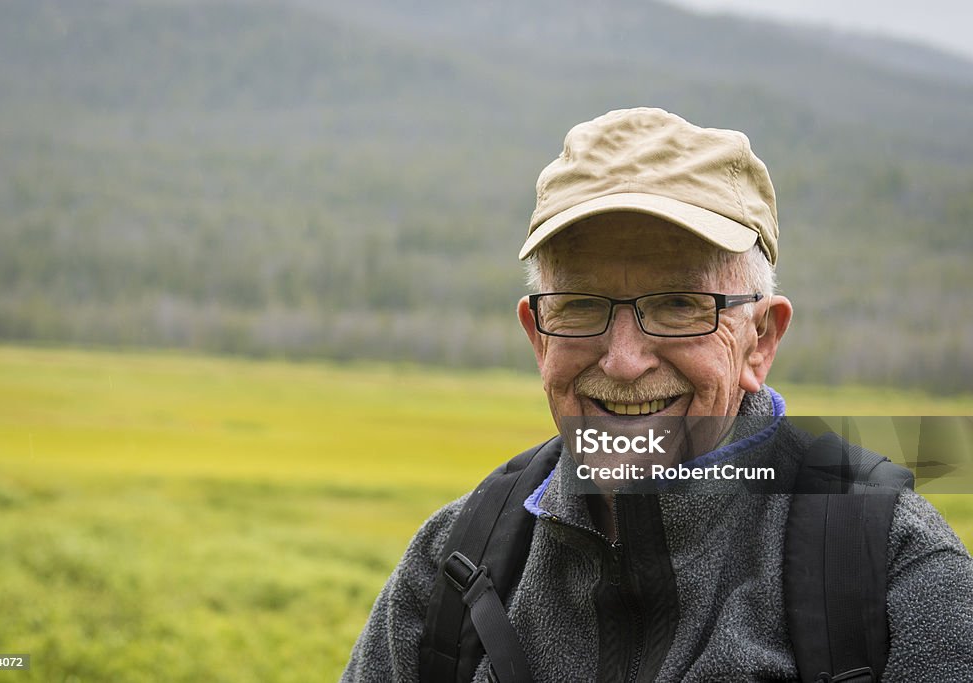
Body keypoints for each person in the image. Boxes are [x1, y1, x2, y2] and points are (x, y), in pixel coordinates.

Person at [341, 108, 973, 682]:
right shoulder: (456, 561)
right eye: (581, 305)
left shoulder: (889, 565)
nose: (622, 362)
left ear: (760, 340)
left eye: (678, 306)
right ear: (538, 338)